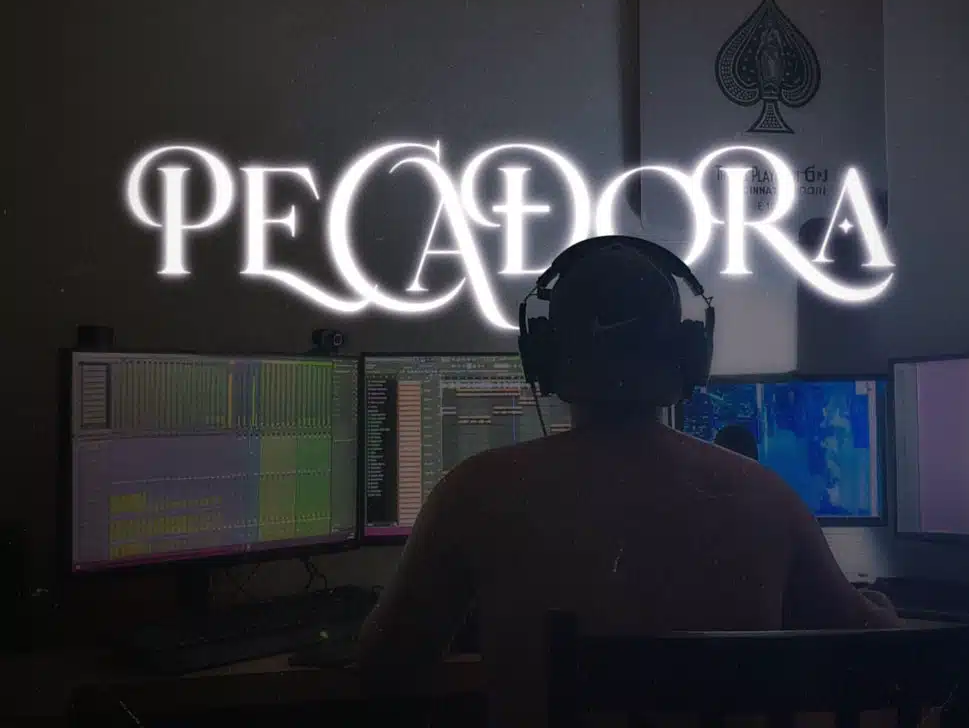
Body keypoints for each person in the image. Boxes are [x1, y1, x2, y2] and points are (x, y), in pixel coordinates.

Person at [355, 237, 899, 725]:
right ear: (688, 355)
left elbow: (383, 667)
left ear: (543, 355)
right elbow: (874, 649)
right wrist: (880, 611)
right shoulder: (769, 498)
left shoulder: (473, 494)